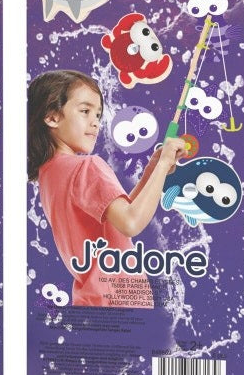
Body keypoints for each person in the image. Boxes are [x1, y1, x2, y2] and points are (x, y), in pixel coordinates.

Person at [28, 70, 187, 307]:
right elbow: (130, 222)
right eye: (85, 111)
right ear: (52, 117)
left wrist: (153, 172)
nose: (95, 122)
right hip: (120, 304)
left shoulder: (49, 174)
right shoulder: (87, 166)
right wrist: (164, 164)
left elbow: (116, 221)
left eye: (98, 114)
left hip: (89, 301)